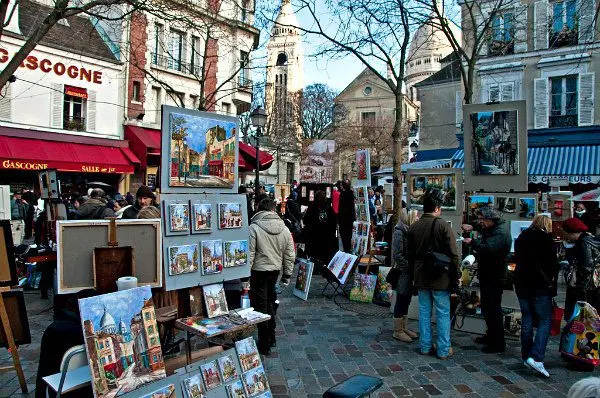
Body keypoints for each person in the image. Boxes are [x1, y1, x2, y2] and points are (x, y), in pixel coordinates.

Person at [407, 189, 459, 359]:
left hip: (421, 275)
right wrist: (455, 274)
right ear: (436, 208)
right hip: (440, 276)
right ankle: (443, 349)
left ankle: (424, 345)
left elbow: (410, 254)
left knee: (424, 312)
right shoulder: (443, 225)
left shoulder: (414, 227)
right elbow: (453, 253)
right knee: (443, 313)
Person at [514, 215, 559, 378]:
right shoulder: (546, 240)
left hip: (521, 284)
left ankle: (526, 355)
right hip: (539, 286)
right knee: (544, 321)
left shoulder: (522, 236)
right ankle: (537, 357)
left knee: (526, 318)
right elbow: (552, 265)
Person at [462, 206, 512, 353]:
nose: (480, 222)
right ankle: (491, 336)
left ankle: (497, 343)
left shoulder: (500, 232)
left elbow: (488, 248)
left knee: (493, 309)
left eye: (482, 219)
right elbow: (484, 231)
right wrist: (472, 225)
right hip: (489, 272)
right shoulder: (495, 227)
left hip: (495, 274)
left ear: (491, 219)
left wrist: (472, 242)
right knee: (487, 308)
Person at [249, 198, 295, 355]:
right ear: (273, 210)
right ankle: (272, 337)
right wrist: (287, 275)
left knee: (261, 306)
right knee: (270, 303)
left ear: (259, 210)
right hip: (274, 271)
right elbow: (290, 255)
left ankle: (264, 343)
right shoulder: (285, 229)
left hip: (258, 272)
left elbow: (250, 254)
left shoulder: (254, 227)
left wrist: (244, 278)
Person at [391, 208, 420, 342]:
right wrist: (408, 268)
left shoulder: (409, 230)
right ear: (409, 218)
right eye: (415, 217)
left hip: (409, 271)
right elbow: (397, 255)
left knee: (407, 298)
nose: (418, 219)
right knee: (402, 298)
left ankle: (403, 327)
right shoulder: (399, 232)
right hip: (404, 272)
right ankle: (398, 330)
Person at [563, 217, 600, 320]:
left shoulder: (583, 243)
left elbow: (586, 267)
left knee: (581, 318)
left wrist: (581, 290)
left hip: (584, 288)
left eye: (566, 232)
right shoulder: (589, 239)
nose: (565, 236)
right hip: (591, 287)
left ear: (572, 232)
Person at [303, 190, 336, 265]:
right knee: (325, 254)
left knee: (315, 254)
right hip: (326, 236)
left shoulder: (312, 207)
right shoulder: (328, 208)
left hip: (314, 236)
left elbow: (306, 220)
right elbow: (333, 222)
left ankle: (315, 267)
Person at [338, 179, 355, 252]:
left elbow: (341, 208)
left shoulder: (342, 194)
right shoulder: (352, 194)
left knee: (345, 239)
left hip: (344, 220)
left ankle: (347, 251)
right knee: (349, 237)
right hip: (350, 219)